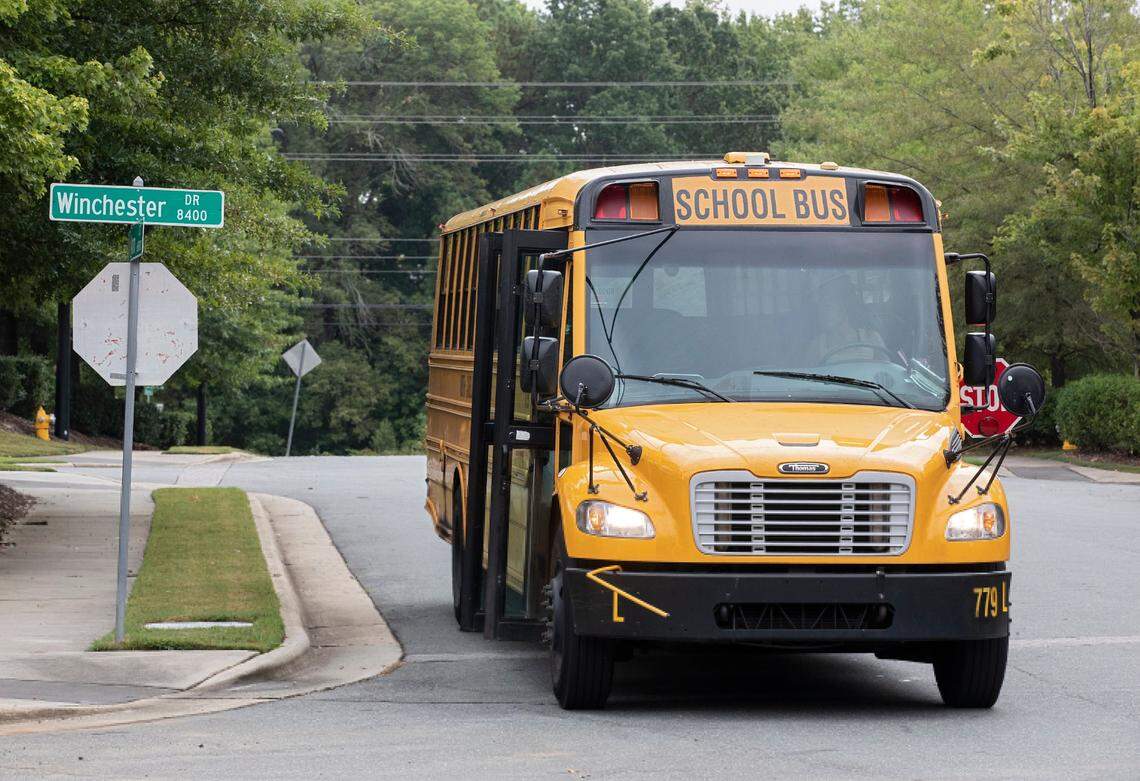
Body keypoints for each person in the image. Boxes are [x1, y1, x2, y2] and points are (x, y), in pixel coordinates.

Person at [805, 273, 887, 364]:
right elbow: (806, 375)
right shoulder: (817, 345)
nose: (823, 312)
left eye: (828, 306)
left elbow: (885, 373)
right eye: (821, 307)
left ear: (844, 306)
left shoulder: (871, 337)